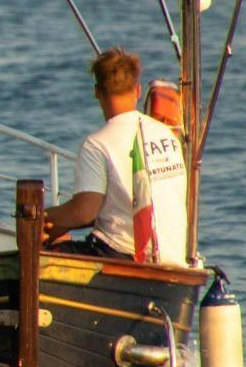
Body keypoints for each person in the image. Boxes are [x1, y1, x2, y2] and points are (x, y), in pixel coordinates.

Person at [42, 48, 189, 266]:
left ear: (97, 92)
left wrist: (42, 217)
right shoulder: (167, 135)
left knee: (45, 255)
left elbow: (83, 213)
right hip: (172, 258)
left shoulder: (97, 144)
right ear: (138, 90)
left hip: (122, 256)